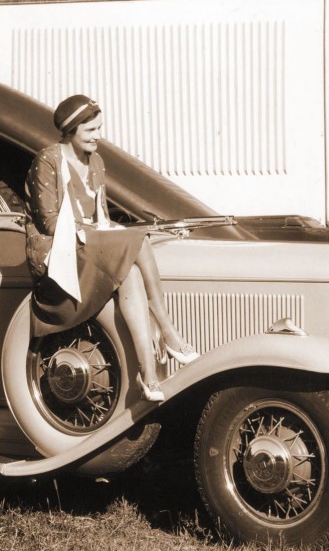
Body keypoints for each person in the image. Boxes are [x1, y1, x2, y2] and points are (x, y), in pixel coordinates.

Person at [25, 95, 199, 402]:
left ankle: (147, 374)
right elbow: (51, 223)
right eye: (90, 130)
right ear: (70, 130)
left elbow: (101, 216)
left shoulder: (96, 162)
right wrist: (102, 233)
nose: (98, 136)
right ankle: (169, 332)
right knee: (139, 240)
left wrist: (107, 231)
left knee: (131, 270)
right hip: (56, 255)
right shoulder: (48, 161)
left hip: (86, 245)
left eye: (99, 128)